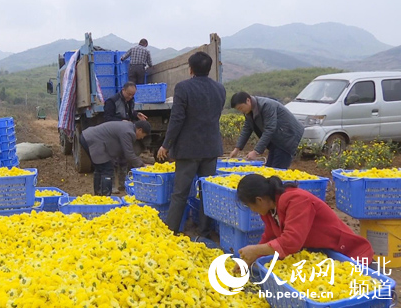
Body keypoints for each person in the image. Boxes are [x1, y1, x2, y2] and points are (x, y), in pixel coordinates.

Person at [157, 51, 226, 237]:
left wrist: (166, 144)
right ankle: (203, 231)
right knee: (206, 191)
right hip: (211, 148)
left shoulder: (183, 88)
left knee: (180, 192)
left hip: (188, 149)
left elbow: (177, 119)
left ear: (191, 69)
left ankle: (171, 230)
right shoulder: (220, 89)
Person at [236, 174, 374, 266]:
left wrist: (254, 250)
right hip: (321, 257)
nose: (252, 210)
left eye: (249, 206)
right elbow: (269, 236)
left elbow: (291, 242)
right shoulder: (269, 209)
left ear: (259, 200)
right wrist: (249, 259)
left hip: (347, 256)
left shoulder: (296, 200)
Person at [229, 92, 304, 169]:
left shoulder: (266, 105)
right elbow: (247, 129)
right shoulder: (248, 111)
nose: (241, 111)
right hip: (275, 138)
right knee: (269, 168)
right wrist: (237, 149)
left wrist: (256, 151)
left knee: (277, 170)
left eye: (241, 108)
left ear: (248, 100)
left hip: (287, 135)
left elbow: (270, 129)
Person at [80, 120, 151, 196]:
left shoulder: (128, 127)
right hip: (93, 140)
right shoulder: (128, 132)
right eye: (143, 135)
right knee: (107, 169)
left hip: (87, 136)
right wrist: (143, 166)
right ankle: (105, 197)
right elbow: (129, 154)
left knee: (100, 168)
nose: (142, 138)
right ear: (139, 130)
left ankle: (98, 195)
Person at [103, 82, 148, 193]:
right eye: (129, 94)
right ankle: (112, 185)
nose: (130, 97)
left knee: (124, 158)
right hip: (114, 134)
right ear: (123, 90)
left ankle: (123, 184)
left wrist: (136, 114)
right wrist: (120, 121)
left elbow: (129, 113)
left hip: (125, 133)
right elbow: (107, 118)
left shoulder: (130, 101)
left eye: (133, 95)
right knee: (113, 160)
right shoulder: (112, 101)